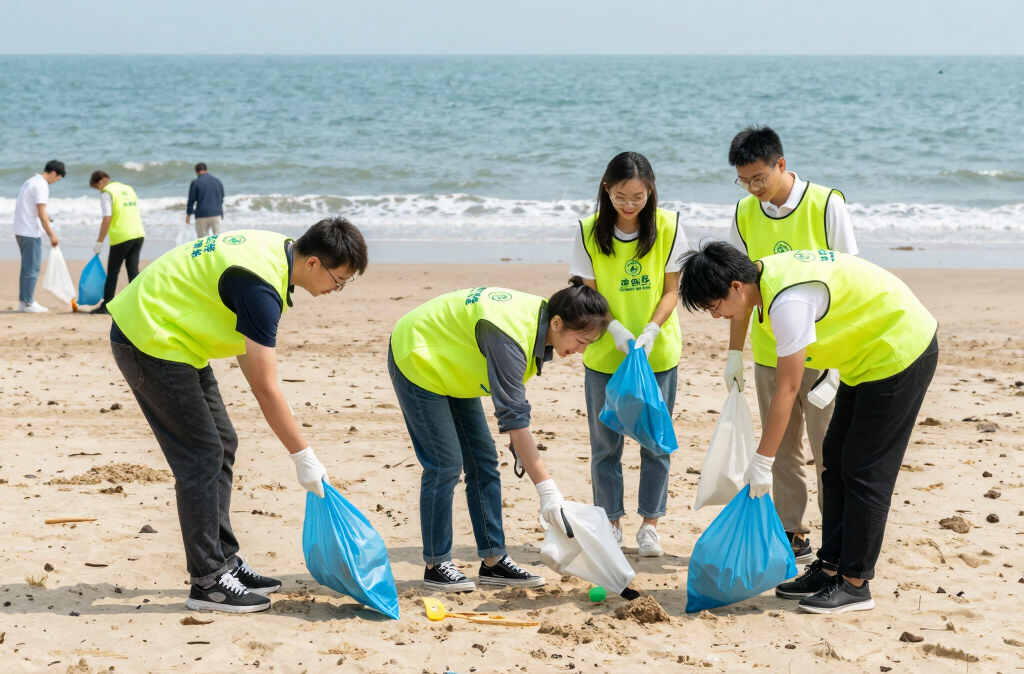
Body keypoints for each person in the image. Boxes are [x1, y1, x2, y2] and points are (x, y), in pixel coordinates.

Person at [108, 217, 367, 613]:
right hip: (148, 338)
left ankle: (224, 560)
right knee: (200, 455)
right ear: (313, 263)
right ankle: (208, 582)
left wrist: (296, 443)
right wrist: (303, 456)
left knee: (222, 443)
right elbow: (265, 387)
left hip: (177, 338)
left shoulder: (278, 257)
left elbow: (254, 366)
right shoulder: (260, 286)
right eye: (339, 279)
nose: (337, 289)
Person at [680, 241, 938, 614]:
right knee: (835, 461)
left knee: (865, 471)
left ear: (736, 286)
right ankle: (830, 565)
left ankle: (855, 584)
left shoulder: (787, 302)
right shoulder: (762, 280)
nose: (716, 316)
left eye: (714, 306)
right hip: (865, 359)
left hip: (900, 351)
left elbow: (786, 389)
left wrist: (763, 461)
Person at [388, 278, 610, 593]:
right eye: (582, 340)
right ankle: (436, 565)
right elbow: (514, 417)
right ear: (558, 323)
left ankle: (494, 563)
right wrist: (549, 492)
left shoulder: (540, 323)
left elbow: (511, 407)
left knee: (484, 461)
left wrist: (518, 440)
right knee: (445, 464)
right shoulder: (513, 336)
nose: (581, 351)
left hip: (454, 366)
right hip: (418, 355)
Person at [724, 126, 858, 561]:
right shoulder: (745, 212)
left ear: (781, 164)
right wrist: (733, 353)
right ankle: (792, 533)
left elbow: (851, 283)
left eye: (760, 178)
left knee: (828, 453)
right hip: (769, 352)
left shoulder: (825, 205)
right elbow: (737, 291)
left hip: (824, 355)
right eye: (744, 181)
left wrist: (839, 365)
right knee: (780, 447)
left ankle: (836, 540)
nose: (754, 189)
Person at [570, 151, 688, 559]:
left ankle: (650, 526)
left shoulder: (669, 227)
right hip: (606, 353)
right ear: (607, 189)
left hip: (656, 355)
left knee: (655, 442)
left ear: (650, 191)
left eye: (638, 196)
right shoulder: (588, 231)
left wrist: (652, 328)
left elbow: (672, 289)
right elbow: (588, 292)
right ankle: (612, 522)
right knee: (606, 445)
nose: (630, 204)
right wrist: (614, 328)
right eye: (621, 195)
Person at [89, 171, 146, 315]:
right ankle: (138, 303)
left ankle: (107, 305)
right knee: (132, 268)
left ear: (101, 182)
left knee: (113, 271)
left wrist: (99, 241)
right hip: (138, 233)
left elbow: (107, 218)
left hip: (122, 236)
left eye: (97, 187)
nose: (99, 190)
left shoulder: (107, 193)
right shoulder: (128, 188)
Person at [13, 160, 65, 313]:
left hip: (20, 229)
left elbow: (39, 211)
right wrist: (52, 234)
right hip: (29, 232)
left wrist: (50, 224)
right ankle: (28, 303)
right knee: (32, 268)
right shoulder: (41, 185)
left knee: (27, 268)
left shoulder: (30, 181)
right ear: (54, 173)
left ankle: (24, 302)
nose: (55, 182)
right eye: (57, 179)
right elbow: (41, 212)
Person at [187, 163, 225, 237]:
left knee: (202, 239)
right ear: (206, 170)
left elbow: (191, 200)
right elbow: (221, 198)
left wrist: (188, 215)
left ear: (196, 171)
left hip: (202, 214)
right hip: (216, 213)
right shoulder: (217, 181)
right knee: (217, 237)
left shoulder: (195, 182)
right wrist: (221, 213)